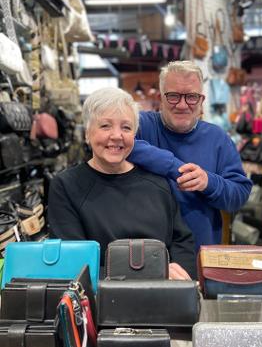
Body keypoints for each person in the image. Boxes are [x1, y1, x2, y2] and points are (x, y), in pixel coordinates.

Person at [48, 87, 197, 279]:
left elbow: (182, 241)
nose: (117, 135)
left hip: (162, 296)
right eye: (105, 126)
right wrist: (152, 273)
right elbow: (73, 264)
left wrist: (181, 277)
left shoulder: (158, 185)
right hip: (101, 302)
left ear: (134, 135)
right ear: (87, 133)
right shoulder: (66, 186)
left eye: (126, 127)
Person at [128, 60, 252, 252]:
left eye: (191, 97)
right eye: (173, 96)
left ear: (201, 100)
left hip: (198, 256)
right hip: (143, 254)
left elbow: (239, 194)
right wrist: (172, 165)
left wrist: (208, 182)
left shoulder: (217, 138)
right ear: (161, 98)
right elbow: (119, 143)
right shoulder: (141, 125)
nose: (182, 105)